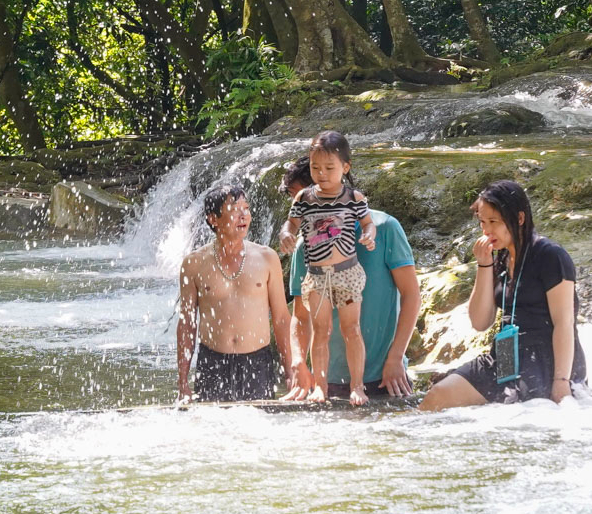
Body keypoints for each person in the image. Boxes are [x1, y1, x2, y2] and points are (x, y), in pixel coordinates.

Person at [419, 179, 589, 410]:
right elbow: (480, 322)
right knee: (437, 397)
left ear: (519, 219)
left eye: (493, 222)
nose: (487, 230)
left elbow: (565, 323)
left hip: (545, 361)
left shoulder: (551, 256)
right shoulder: (500, 257)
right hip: (505, 358)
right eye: (482, 222)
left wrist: (561, 381)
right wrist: (484, 265)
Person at [278, 157, 420, 401]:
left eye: (299, 195)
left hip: (386, 377)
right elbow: (301, 315)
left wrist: (397, 357)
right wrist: (299, 360)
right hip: (328, 383)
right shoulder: (304, 247)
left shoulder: (384, 228)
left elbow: (411, 296)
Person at [278, 131, 376, 405]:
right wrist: (285, 235)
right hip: (317, 277)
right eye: (315, 168)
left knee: (351, 329)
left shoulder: (354, 197)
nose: (321, 173)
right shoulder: (304, 199)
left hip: (347, 273)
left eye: (329, 168)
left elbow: (368, 223)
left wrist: (370, 235)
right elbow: (291, 225)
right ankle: (320, 387)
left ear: (345, 168)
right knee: (321, 331)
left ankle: (357, 386)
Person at [177, 184, 294, 403]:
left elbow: (280, 319)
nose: (243, 215)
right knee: (212, 431)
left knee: (260, 429)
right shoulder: (193, 263)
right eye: (234, 208)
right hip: (212, 362)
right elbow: (186, 324)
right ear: (213, 219)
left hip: (257, 362)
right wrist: (182, 382)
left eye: (246, 208)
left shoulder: (267, 258)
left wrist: (290, 371)